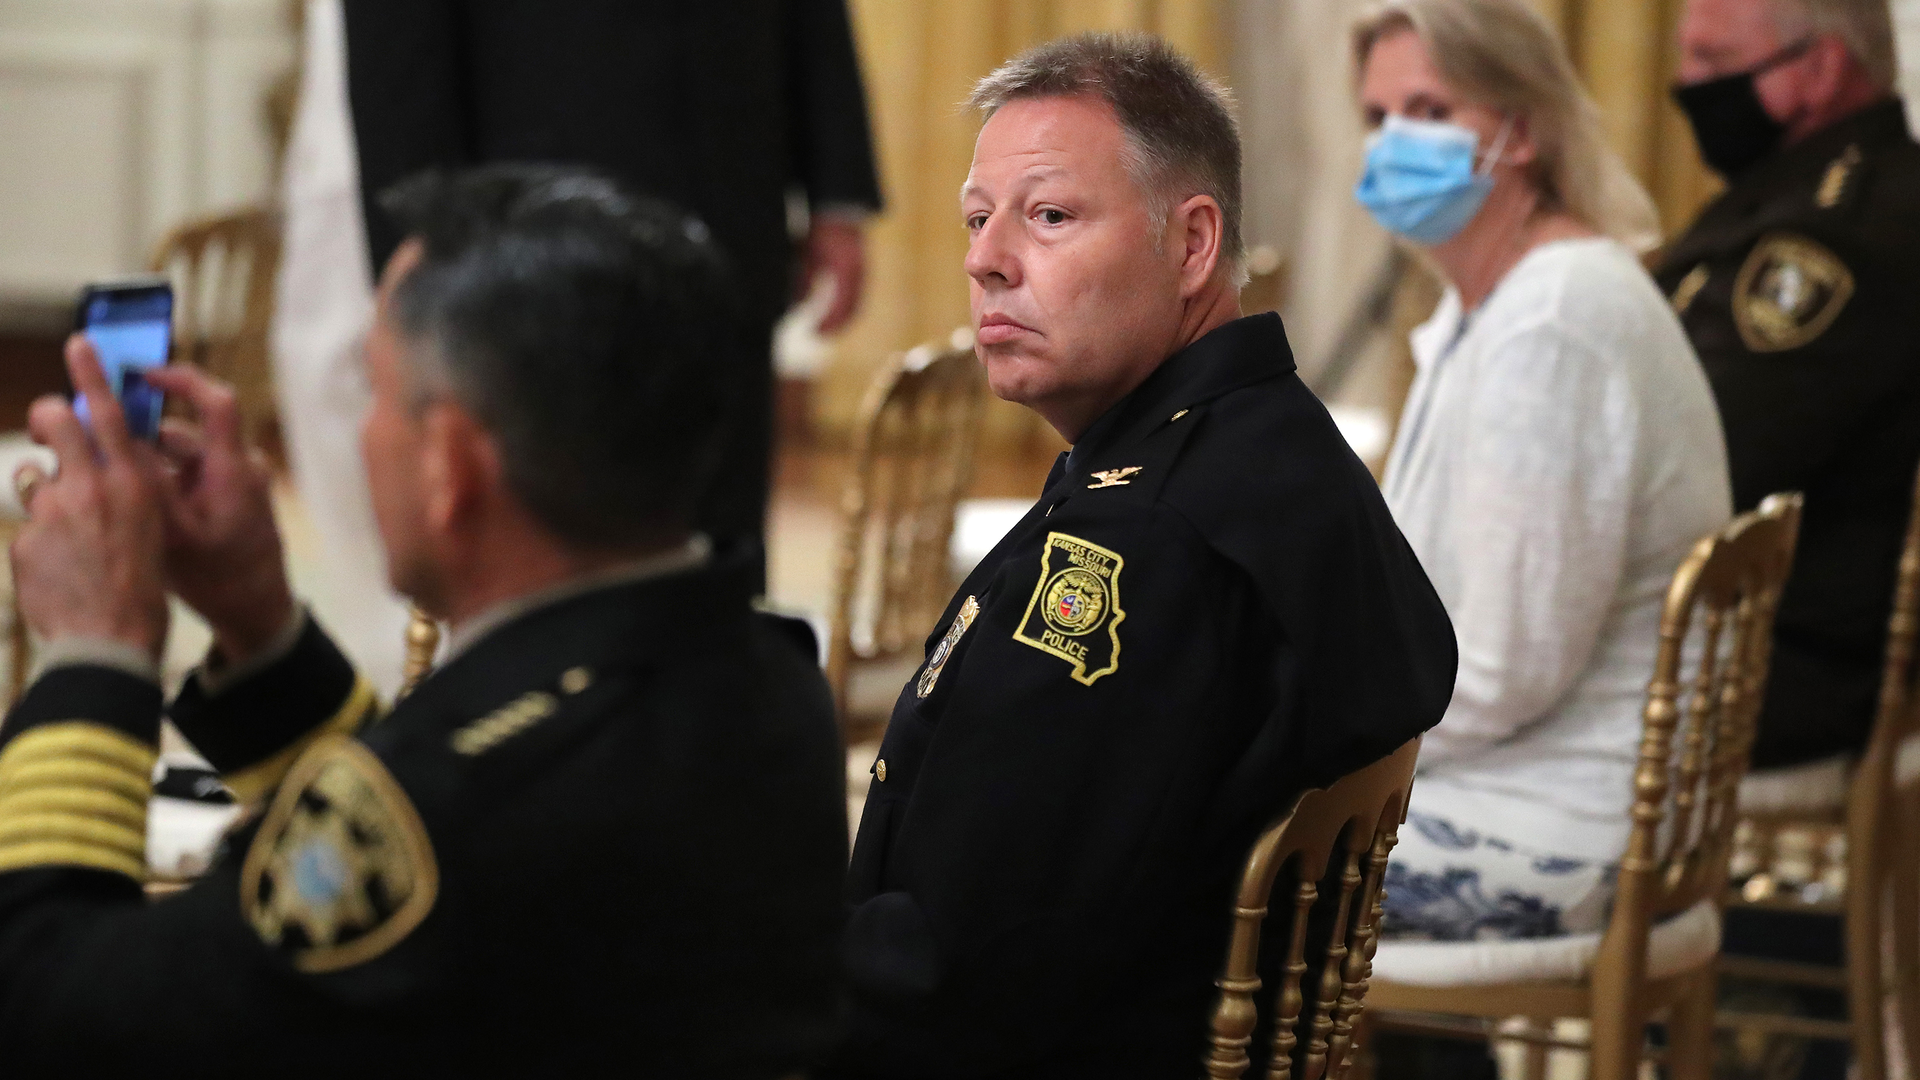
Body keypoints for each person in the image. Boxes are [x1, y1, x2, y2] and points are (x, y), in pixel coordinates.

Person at [0, 167, 845, 1075]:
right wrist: (259, 626)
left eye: (374, 390)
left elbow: (50, 1016)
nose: (361, 434)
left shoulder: (453, 811)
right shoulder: (772, 677)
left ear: (449, 466)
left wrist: (97, 650)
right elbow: (437, 859)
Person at [827, 33, 1458, 1079]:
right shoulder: (1273, 438)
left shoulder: (1140, 541)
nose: (986, 257)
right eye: (978, 220)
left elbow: (964, 974)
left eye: (1050, 216)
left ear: (1193, 244)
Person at [1353, 0, 1732, 972]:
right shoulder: (1495, 304)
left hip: (1557, 829)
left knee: (1160, 862)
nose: (1396, 143)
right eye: (1378, 117)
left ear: (1520, 130)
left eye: (1431, 109)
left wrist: (1296, 735)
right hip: (1512, 791)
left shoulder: (1552, 324)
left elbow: (1496, 671)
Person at [343, 1, 885, 587]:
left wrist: (836, 192)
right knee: (554, 561)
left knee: (727, 543)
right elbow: (398, 64)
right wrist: (419, 254)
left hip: (730, 195)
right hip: (529, 260)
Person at [1657, 0, 1920, 771]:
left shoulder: (1838, 232)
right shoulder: (1802, 187)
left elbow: (1707, 467)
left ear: (1822, 66)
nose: (1685, 84)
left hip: (1779, 662)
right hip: (1750, 630)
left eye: (1710, 61)